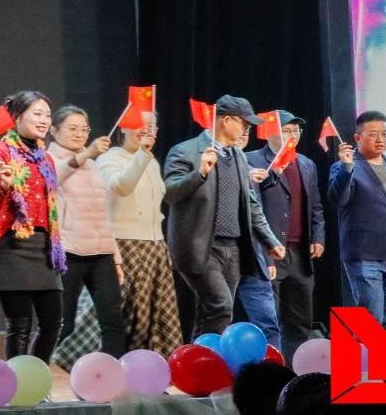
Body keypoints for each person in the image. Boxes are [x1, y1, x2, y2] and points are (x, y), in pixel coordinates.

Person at [163, 94, 284, 337]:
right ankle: (213, 357)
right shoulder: (185, 151)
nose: (246, 131)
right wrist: (200, 173)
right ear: (226, 120)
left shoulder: (238, 156)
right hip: (200, 246)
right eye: (244, 124)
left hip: (233, 248)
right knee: (220, 305)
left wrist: (270, 240)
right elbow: (170, 193)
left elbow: (251, 204)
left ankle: (200, 356)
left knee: (212, 310)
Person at [0, 90, 65, 362]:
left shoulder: (46, 158)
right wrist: (3, 185)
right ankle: (17, 380)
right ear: (16, 117)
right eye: (37, 114)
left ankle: (36, 374)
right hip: (11, 245)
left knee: (53, 321)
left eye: (47, 115)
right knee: (20, 325)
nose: (44, 120)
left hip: (44, 246)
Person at [97, 110, 183, 356]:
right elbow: (120, 186)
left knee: (157, 320)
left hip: (155, 247)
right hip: (125, 246)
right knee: (130, 317)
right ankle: (116, 366)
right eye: (139, 124)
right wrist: (143, 154)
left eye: (151, 125)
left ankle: (149, 368)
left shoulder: (152, 162)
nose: (146, 130)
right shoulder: (110, 158)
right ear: (123, 127)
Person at [328, 111, 386, 326]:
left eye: (385, 134)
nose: (380, 139)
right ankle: (365, 350)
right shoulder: (344, 167)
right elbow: (338, 199)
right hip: (363, 254)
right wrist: (346, 168)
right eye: (373, 134)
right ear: (357, 137)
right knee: (371, 320)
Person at [46, 105, 126, 358]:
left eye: (84, 129)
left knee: (113, 320)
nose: (79, 134)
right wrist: (87, 153)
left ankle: (115, 374)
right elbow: (52, 178)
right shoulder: (47, 160)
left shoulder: (93, 165)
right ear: (53, 130)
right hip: (68, 252)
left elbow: (103, 214)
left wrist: (116, 258)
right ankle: (41, 372)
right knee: (63, 322)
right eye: (73, 128)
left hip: (101, 252)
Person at [245, 111, 325, 360]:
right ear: (270, 132)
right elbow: (250, 209)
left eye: (296, 131)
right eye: (286, 131)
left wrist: (318, 236)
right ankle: (271, 368)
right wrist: (264, 251)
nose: (292, 136)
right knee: (269, 320)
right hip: (269, 252)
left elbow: (316, 206)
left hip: (300, 254)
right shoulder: (251, 161)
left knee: (300, 319)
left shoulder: (306, 163)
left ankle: (296, 368)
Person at [231, 123, 282, 351]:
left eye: (247, 131)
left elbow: (257, 211)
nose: (243, 135)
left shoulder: (249, 163)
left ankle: (274, 365)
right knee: (216, 317)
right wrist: (244, 176)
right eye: (239, 128)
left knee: (267, 321)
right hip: (222, 253)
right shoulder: (210, 160)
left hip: (253, 253)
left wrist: (269, 246)